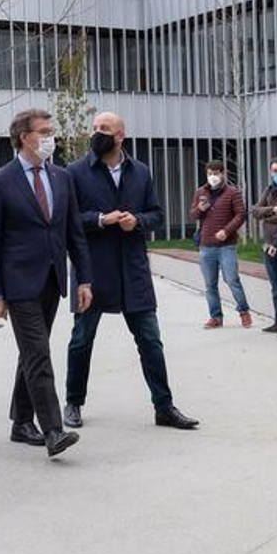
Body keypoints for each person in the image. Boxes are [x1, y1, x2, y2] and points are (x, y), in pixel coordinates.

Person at [62, 111, 198, 431]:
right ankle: (73, 402)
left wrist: (137, 221)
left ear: (121, 135)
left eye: (104, 129)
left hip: (133, 270)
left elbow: (156, 214)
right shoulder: (75, 173)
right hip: (92, 271)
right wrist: (100, 219)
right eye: (94, 128)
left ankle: (164, 407)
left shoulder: (141, 172)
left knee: (151, 340)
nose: (97, 133)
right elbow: (69, 221)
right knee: (81, 339)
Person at [0, 108, 93, 457]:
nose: (50, 137)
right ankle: (54, 430)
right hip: (18, 283)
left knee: (31, 353)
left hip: (52, 281)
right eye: (43, 132)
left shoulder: (61, 178)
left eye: (51, 131)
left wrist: (83, 280)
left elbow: (74, 233)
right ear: (24, 137)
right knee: (39, 355)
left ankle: (20, 422)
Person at [190, 159, 251, 328]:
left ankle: (244, 311)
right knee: (210, 285)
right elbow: (193, 215)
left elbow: (241, 214)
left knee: (232, 279)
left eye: (216, 173)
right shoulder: (200, 192)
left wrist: (227, 230)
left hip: (226, 246)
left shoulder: (233, 192)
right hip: (206, 245)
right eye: (210, 174)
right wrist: (199, 209)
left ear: (222, 173)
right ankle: (216, 317)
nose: (213, 177)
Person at [250, 157, 277, 335]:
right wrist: (272, 210)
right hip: (267, 246)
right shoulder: (268, 190)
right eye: (275, 171)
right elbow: (255, 211)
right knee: (275, 287)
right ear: (270, 172)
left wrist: (267, 214)